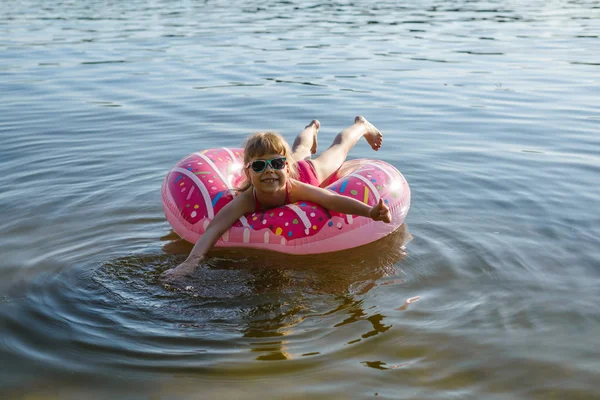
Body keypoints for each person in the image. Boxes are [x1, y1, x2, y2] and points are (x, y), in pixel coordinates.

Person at [163, 116, 391, 279]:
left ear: (285, 167)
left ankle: (360, 126)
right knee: (300, 149)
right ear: (248, 172)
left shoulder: (295, 187)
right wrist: (190, 263)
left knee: (337, 150)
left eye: (277, 163)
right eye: (260, 166)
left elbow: (331, 200)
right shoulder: (247, 200)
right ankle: (311, 128)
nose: (269, 171)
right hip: (292, 168)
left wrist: (370, 212)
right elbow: (213, 228)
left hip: (308, 172)